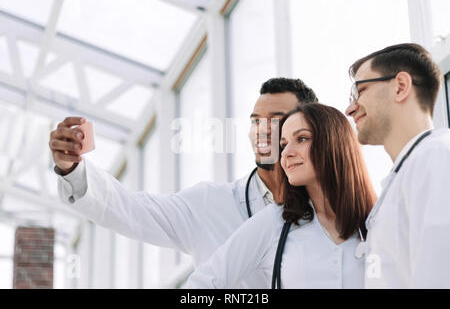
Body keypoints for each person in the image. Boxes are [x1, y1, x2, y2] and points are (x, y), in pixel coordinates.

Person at [49, 78, 318, 288]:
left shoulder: (333, 209)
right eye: (256, 121)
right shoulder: (210, 205)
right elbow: (131, 209)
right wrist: (73, 168)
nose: (262, 129)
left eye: (277, 119)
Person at [185, 103, 377, 288]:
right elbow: (204, 283)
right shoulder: (274, 222)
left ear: (334, 142)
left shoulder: (375, 222)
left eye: (301, 139)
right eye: (283, 145)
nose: (286, 154)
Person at [345, 43, 450, 288]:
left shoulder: (437, 158)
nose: (349, 108)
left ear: (401, 87)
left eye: (359, 91)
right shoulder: (411, 170)